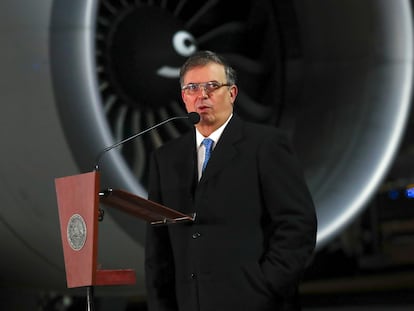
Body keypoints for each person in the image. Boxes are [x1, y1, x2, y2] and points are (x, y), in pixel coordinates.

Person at [145, 50, 317, 311]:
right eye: (192, 88)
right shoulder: (165, 159)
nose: (202, 95)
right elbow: (158, 246)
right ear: (183, 97)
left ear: (232, 93)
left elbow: (297, 224)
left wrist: (265, 287)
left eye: (212, 86)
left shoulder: (266, 145)